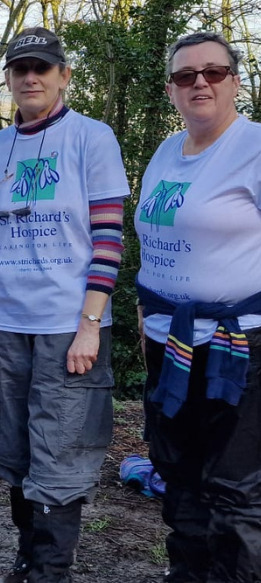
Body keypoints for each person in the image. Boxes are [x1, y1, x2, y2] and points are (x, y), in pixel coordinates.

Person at [0, 27, 129, 583]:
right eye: (20, 69)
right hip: (7, 324)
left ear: (63, 76)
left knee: (61, 450)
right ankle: (27, 556)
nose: (30, 78)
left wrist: (90, 324)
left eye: (42, 68)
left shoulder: (91, 138)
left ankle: (50, 571)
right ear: (8, 79)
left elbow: (108, 238)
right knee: (15, 449)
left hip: (68, 325)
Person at [136, 32, 261, 583]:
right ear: (171, 90)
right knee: (178, 475)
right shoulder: (166, 151)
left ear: (235, 81)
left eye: (213, 72)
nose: (200, 83)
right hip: (171, 344)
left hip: (240, 346)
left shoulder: (253, 148)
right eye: (187, 76)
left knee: (235, 486)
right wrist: (146, 322)